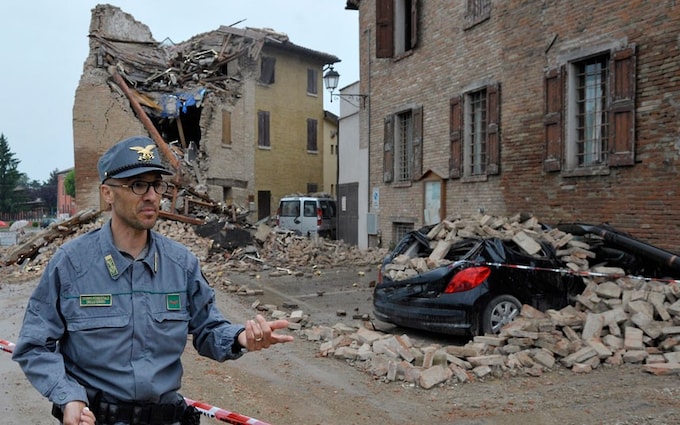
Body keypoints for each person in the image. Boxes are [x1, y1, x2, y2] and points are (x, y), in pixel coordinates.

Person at [12, 135, 294, 425]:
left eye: (157, 184)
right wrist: (68, 396)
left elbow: (208, 330)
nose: (151, 195)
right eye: (137, 185)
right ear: (107, 193)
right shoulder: (71, 264)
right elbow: (34, 346)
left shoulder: (181, 264)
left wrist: (240, 338)